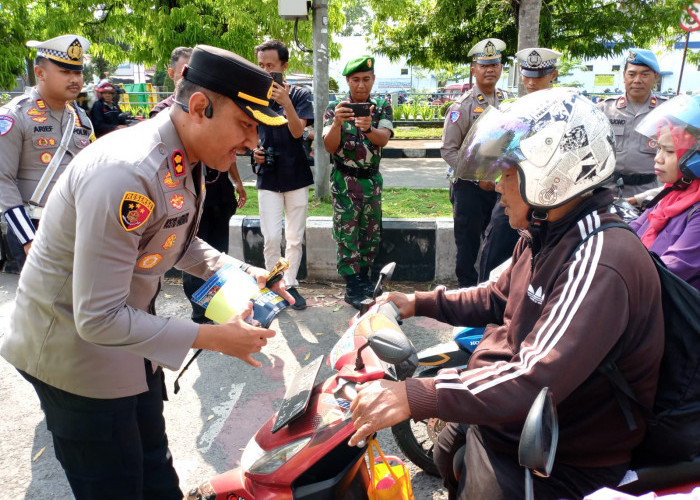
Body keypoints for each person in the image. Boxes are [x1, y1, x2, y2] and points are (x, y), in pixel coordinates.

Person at [0, 44, 294, 500]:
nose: (253, 142)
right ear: (200, 107)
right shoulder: (128, 172)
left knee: (154, 473)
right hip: (75, 356)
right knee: (116, 484)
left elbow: (174, 237)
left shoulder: (183, 155)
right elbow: (96, 318)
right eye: (246, 125)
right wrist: (213, 337)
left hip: (128, 344)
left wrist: (241, 270)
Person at [348, 89, 664, 500]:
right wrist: (418, 302)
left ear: (554, 178)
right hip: (507, 420)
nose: (498, 187)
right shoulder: (545, 230)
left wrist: (417, 394)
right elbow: (497, 297)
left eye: (510, 174)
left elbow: (536, 377)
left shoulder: (599, 257)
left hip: (558, 454)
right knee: (450, 457)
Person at [151, 46, 247, 324]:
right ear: (173, 74)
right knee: (192, 252)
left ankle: (219, 306)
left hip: (216, 191)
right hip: (183, 194)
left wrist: (238, 183)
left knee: (218, 251)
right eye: (186, 71)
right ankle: (200, 312)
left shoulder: (214, 112)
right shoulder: (164, 115)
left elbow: (228, 152)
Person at [0, 35, 93, 273]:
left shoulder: (80, 118)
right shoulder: (15, 116)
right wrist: (28, 240)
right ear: (40, 73)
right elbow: (3, 181)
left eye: (78, 72)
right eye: (65, 71)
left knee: (79, 306)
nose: (75, 79)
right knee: (44, 308)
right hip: (35, 226)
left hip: (78, 227)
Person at [478, 47, 562, 282]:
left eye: (539, 77)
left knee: (543, 262)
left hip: (549, 196)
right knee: (494, 252)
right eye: (527, 76)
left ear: (552, 75)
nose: (531, 83)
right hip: (513, 191)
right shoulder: (511, 110)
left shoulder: (565, 111)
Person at [323, 55, 394, 309]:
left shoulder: (382, 106)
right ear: (347, 81)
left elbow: (383, 138)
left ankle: (364, 279)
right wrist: (337, 123)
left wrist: (367, 129)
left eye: (366, 79)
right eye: (355, 80)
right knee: (347, 232)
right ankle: (352, 285)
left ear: (373, 79)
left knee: (370, 233)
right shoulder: (335, 108)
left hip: (371, 182)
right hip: (345, 180)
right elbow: (328, 145)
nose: (361, 85)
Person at [441, 38, 509, 288]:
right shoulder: (463, 107)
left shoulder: (509, 103)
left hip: (502, 188)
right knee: (468, 246)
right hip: (470, 189)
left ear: (501, 68)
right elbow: (449, 151)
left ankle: (491, 290)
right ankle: (467, 293)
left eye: (494, 64)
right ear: (474, 70)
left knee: (499, 243)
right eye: (483, 65)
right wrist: (479, 177)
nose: (490, 70)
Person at [252, 39, 314, 310]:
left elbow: (298, 132)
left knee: (294, 237)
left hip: (296, 174)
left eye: (271, 66)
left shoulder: (300, 95)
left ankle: (290, 285)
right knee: (271, 237)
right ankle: (274, 285)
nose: (266, 71)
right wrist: (253, 151)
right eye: (261, 65)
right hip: (267, 174)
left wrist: (285, 101)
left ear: (284, 66)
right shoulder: (253, 96)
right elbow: (249, 135)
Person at [629, 94, 700, 291]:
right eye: (658, 149)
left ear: (695, 158)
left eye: (669, 152)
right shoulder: (673, 193)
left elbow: (672, 268)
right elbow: (633, 229)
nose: (657, 159)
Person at [598, 49, 666, 197]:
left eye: (645, 74)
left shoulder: (667, 112)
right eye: (632, 74)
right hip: (606, 191)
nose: (637, 80)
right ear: (624, 76)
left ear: (655, 77)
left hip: (647, 192)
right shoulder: (604, 109)